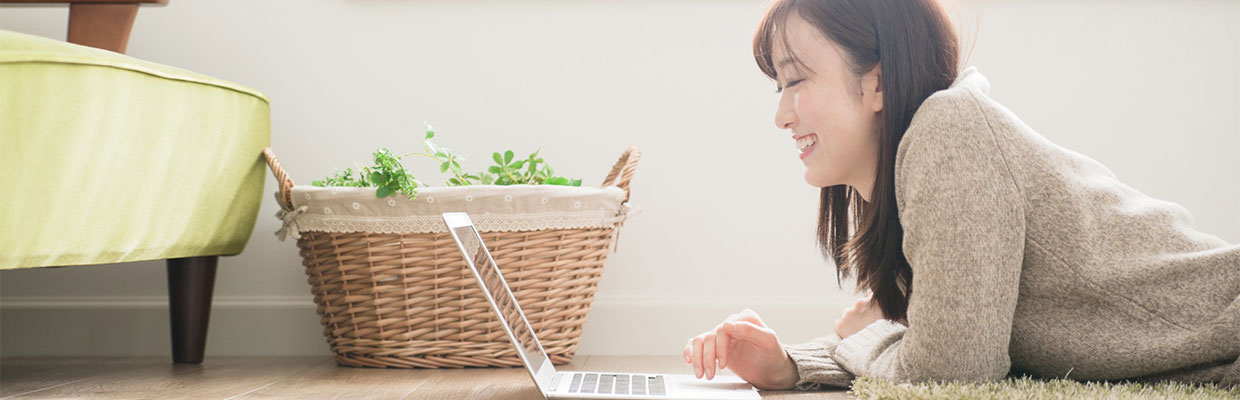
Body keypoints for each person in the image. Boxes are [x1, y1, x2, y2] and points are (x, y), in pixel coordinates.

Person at [682, 0, 1239, 390]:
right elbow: (938, 340)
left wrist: (866, 337)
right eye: (779, 87)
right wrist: (789, 365)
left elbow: (950, 370)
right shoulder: (918, 166)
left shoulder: (947, 129)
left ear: (875, 80)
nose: (781, 115)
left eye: (795, 80)